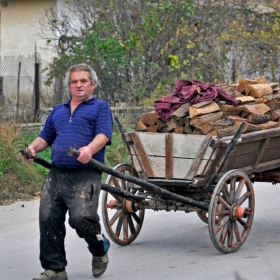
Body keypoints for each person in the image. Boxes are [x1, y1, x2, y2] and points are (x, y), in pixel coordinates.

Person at [22, 63, 113, 280]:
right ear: (69, 85)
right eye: (74, 81)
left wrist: (89, 150)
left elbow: (104, 134)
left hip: (85, 174)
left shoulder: (99, 108)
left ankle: (100, 248)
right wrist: (33, 148)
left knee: (82, 218)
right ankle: (55, 269)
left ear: (93, 84)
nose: (78, 85)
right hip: (56, 174)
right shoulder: (58, 110)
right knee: (48, 219)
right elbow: (46, 136)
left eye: (83, 81)